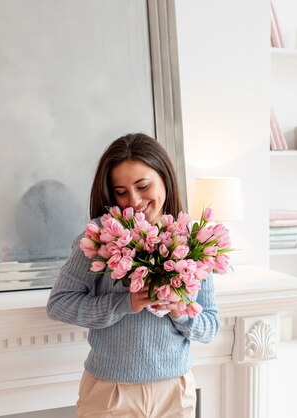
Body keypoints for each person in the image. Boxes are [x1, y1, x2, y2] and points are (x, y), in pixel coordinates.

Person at [47, 133, 220, 418]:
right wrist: (125, 304)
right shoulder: (99, 237)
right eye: (121, 191)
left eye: (143, 186)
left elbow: (210, 325)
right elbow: (59, 304)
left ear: (164, 177)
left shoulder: (193, 240)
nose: (134, 200)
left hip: (175, 392)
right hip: (111, 393)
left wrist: (180, 311)